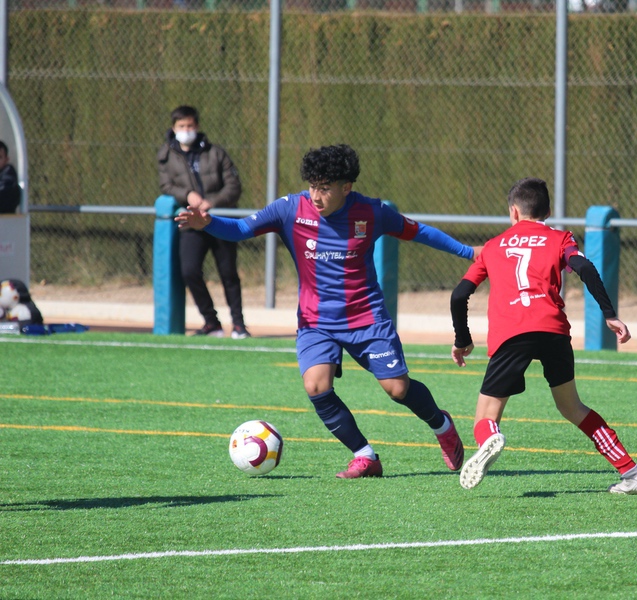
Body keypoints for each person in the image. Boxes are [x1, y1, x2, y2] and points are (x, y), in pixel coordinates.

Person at [176, 144, 469, 479]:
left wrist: (467, 251)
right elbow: (241, 229)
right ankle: (365, 456)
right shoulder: (290, 209)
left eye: (325, 188)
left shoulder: (372, 212)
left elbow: (419, 232)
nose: (316, 195)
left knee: (397, 390)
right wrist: (208, 223)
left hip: (366, 318)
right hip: (316, 322)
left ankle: (441, 425)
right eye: (313, 185)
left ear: (347, 188)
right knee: (316, 386)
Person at [450, 177, 637, 494]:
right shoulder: (560, 239)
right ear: (547, 211)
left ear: (514, 212)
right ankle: (633, 473)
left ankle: (490, 437)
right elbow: (585, 269)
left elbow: (459, 295)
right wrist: (610, 315)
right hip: (553, 330)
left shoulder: (493, 247)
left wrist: (462, 339)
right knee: (573, 408)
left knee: (485, 415)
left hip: (512, 332)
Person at [157, 105, 249, 339]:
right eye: (181, 126)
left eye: (190, 126)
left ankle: (239, 326)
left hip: (220, 219)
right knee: (189, 271)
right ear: (174, 128)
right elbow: (166, 185)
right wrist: (187, 195)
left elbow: (233, 186)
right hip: (191, 222)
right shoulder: (166, 155)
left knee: (228, 273)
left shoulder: (216, 153)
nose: (186, 130)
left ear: (196, 127)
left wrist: (211, 202)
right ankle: (212, 323)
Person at [0, 141, 21, 214]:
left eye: (0, 157)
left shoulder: (8, 173)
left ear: (6, 160)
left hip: (5, 220)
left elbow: (4, 190)